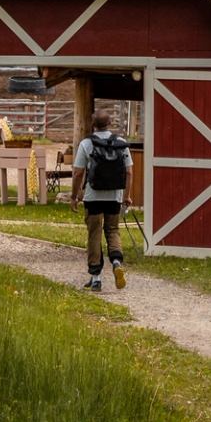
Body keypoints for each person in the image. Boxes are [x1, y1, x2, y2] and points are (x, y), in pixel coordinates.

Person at [70, 111, 131, 291]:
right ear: (110, 123)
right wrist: (126, 196)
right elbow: (129, 172)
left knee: (94, 234)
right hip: (114, 196)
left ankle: (96, 277)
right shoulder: (121, 144)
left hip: (93, 196)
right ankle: (117, 262)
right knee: (113, 230)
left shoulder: (86, 143)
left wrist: (74, 196)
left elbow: (78, 172)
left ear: (92, 123)